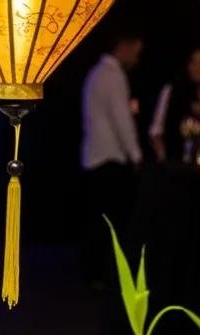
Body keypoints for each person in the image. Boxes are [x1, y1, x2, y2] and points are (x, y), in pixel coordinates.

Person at [80, 27, 144, 284]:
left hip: (93, 157)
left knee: (96, 221)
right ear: (124, 46)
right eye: (136, 51)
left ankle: (95, 275)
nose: (137, 58)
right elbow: (122, 120)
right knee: (109, 224)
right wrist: (136, 154)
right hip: (109, 160)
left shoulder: (96, 74)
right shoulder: (112, 76)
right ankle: (105, 277)